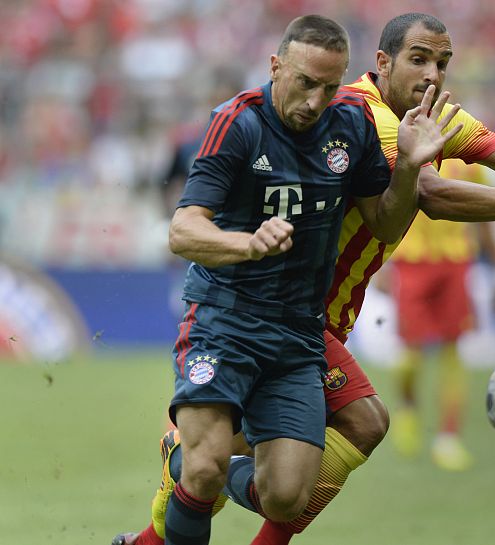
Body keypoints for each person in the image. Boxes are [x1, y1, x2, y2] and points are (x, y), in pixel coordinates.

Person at [114, 12, 495, 545]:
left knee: (238, 462)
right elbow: (431, 196)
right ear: (382, 63)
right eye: (418, 59)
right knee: (338, 429)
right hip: (282, 309)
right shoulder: (361, 115)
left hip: (318, 315)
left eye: (442, 62)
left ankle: (162, 510)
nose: (432, 73)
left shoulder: (432, 117)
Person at [114, 14, 463, 545]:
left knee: (284, 498)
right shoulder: (238, 123)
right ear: (277, 66)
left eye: (330, 86)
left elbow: (383, 222)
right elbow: (183, 231)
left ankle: (184, 462)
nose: (316, 101)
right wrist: (246, 243)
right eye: (305, 83)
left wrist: (410, 170)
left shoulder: (352, 125)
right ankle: (193, 468)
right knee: (207, 471)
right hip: (223, 320)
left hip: (299, 335)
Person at [389, 159, 495, 471]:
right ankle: (408, 405)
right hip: (411, 262)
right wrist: (378, 265)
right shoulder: (404, 147)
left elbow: (485, 216)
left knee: (453, 354)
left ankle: (448, 438)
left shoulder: (469, 159)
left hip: (456, 263)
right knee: (409, 358)